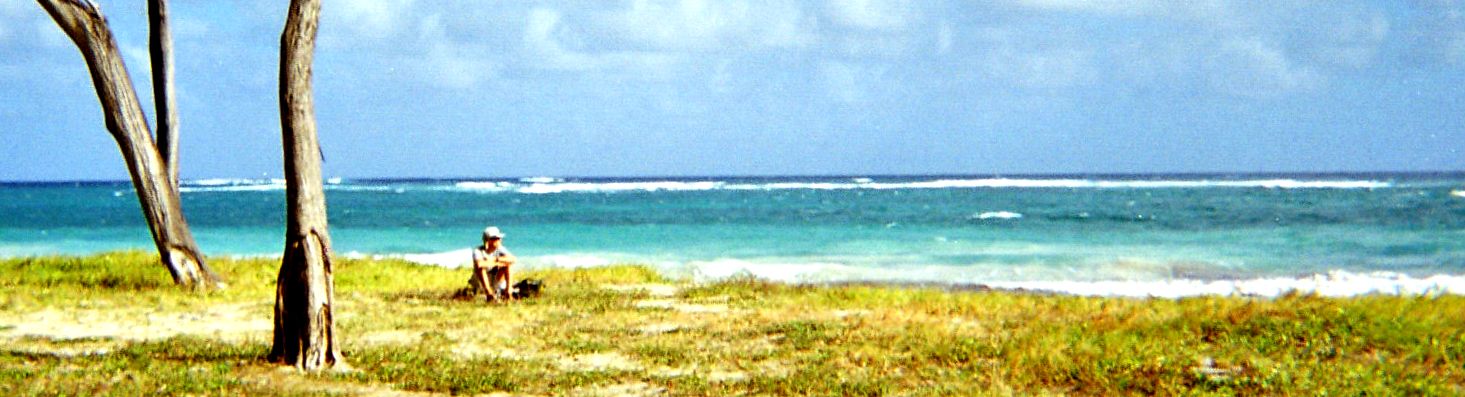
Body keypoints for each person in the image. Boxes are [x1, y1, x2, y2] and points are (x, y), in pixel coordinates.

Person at [471, 226, 517, 302]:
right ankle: (489, 293)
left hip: (495, 279)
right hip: (480, 282)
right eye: (497, 238)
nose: (500, 240)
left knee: (507, 265)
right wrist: (498, 263)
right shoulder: (478, 251)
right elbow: (480, 264)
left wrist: (495, 260)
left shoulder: (500, 249)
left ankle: (508, 292)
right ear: (489, 240)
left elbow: (513, 259)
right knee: (481, 269)